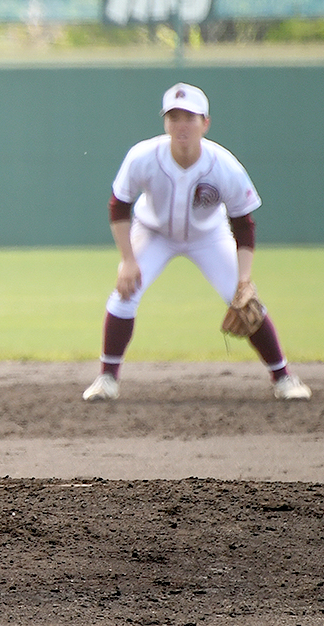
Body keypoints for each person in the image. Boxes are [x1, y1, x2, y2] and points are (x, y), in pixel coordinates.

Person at [83, 82, 310, 402]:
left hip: (208, 236)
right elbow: (118, 205)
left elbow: (244, 225)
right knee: (124, 294)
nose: (181, 125)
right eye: (174, 117)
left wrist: (244, 279)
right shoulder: (144, 156)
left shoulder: (224, 165)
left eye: (190, 117)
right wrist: (128, 260)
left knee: (246, 303)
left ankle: (283, 377)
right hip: (154, 233)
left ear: (206, 123)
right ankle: (107, 379)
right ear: (165, 123)